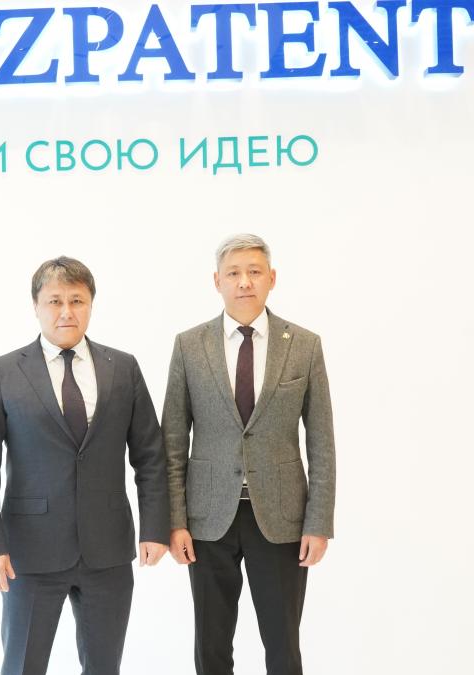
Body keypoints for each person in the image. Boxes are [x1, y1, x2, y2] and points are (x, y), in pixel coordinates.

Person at [0, 256, 170, 675]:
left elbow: (150, 455)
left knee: (104, 668)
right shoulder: (3, 372)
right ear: (36, 306)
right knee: (23, 666)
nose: (66, 312)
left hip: (107, 552)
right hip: (28, 553)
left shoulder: (123, 368)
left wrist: (154, 528)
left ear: (91, 304)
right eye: (54, 301)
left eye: (77, 300)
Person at [163, 234, 336, 675]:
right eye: (234, 273)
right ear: (217, 281)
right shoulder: (189, 345)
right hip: (207, 519)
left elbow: (321, 440)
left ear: (271, 278)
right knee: (211, 646)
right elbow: (173, 441)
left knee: (283, 646)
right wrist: (175, 521)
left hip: (281, 518)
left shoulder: (304, 344)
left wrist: (318, 523)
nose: (244, 282)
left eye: (254, 272)